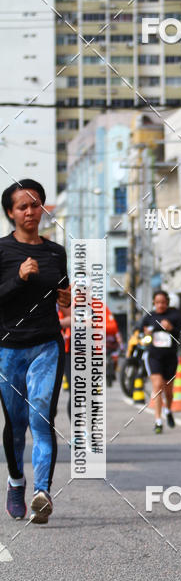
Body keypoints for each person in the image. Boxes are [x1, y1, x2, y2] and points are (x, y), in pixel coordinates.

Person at [0, 179, 71, 523]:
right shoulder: (2, 251)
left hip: (47, 344)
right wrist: (19, 277)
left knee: (41, 418)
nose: (30, 211)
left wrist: (66, 298)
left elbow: (63, 292)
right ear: (10, 213)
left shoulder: (56, 252)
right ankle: (16, 483)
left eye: (35, 204)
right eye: (22, 206)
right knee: (16, 424)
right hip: (8, 349)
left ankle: (43, 492)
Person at [141, 291, 181, 434]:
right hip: (154, 356)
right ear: (153, 303)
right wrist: (145, 333)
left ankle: (168, 410)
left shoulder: (175, 316)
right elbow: (139, 332)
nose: (160, 305)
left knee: (168, 391)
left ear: (167, 302)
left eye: (163, 302)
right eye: (157, 302)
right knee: (157, 386)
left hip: (170, 358)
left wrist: (172, 329)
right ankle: (158, 421)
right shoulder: (149, 317)